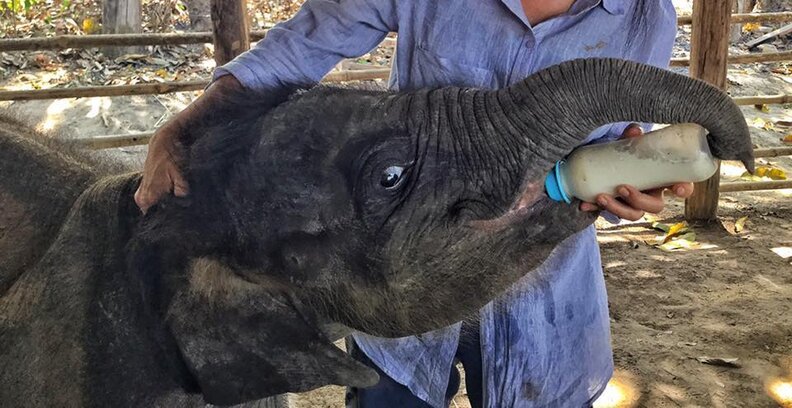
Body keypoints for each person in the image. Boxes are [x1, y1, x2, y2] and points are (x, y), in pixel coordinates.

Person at [134, 1, 692, 407]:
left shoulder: (644, 17)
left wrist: (626, 192)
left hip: (545, 299)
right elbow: (303, 42)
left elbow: (604, 157)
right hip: (397, 283)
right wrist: (185, 125)